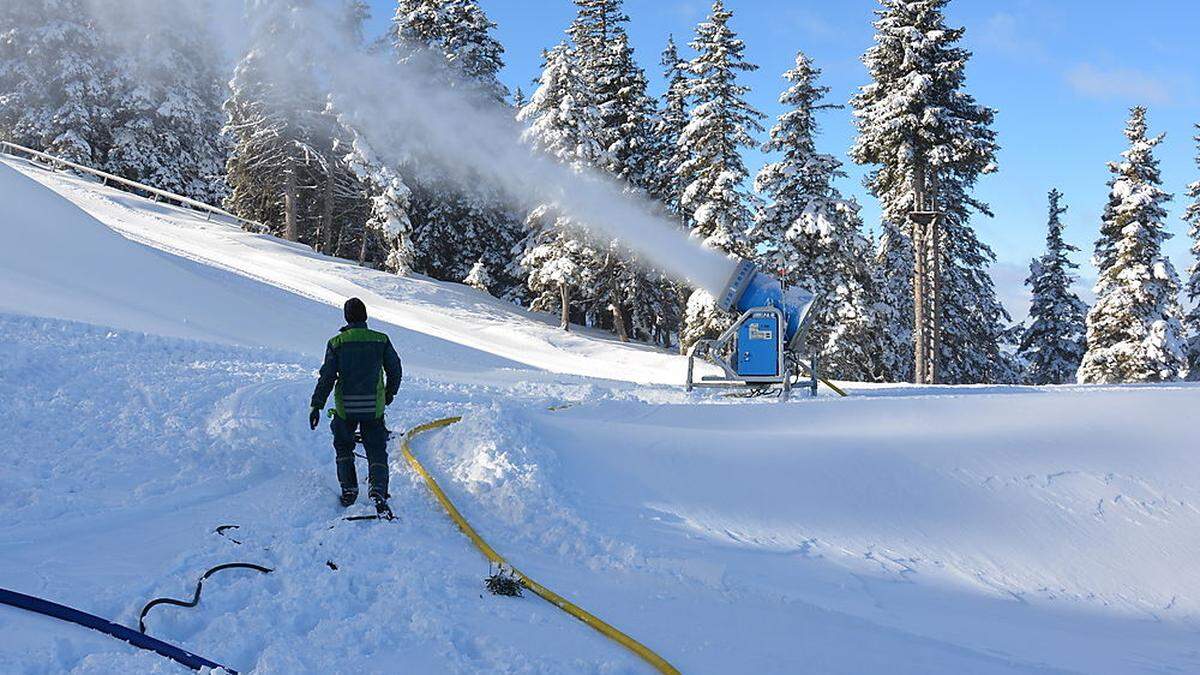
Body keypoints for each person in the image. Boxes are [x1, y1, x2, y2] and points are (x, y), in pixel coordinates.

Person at [310, 298, 403, 510]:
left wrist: (317, 405)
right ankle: (378, 490)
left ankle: (349, 489)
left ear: (346, 317)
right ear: (365, 316)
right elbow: (395, 370)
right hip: (374, 407)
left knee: (344, 447)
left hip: (346, 408)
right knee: (376, 449)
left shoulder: (337, 343)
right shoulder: (381, 340)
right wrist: (389, 394)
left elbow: (327, 377)